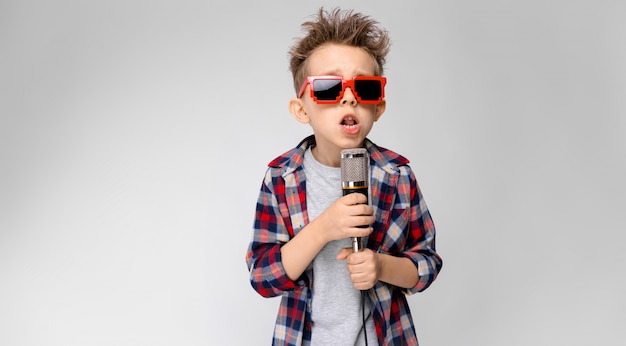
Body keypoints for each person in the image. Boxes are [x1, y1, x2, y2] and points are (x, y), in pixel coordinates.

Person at [245, 7, 442, 346]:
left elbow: (425, 264)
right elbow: (263, 277)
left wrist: (381, 267)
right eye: (328, 87)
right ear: (301, 109)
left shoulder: (397, 176)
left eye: (364, 87)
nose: (349, 96)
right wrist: (324, 228)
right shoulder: (281, 178)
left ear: (378, 106)